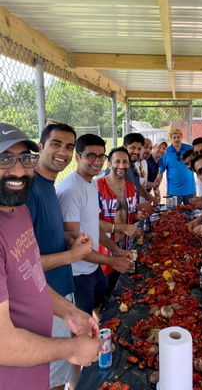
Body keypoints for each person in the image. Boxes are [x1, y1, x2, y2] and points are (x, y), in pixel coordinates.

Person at [0, 123, 103, 390]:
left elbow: (32, 275)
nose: (18, 170)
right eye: (4, 159)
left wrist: (70, 312)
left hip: (36, 358)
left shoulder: (18, 208)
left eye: (25, 159)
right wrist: (70, 347)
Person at [26, 122, 94, 390]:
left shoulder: (48, 185)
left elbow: (41, 240)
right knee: (51, 377)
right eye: (56, 144)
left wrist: (69, 240)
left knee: (69, 365)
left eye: (68, 146)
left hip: (62, 292)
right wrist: (72, 255)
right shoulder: (29, 190)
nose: (62, 152)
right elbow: (23, 264)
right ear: (41, 146)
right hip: (44, 299)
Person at [56, 134, 133, 318]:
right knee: (82, 322)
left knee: (101, 309)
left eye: (101, 156)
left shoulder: (91, 184)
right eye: (91, 155)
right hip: (77, 274)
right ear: (77, 157)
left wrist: (116, 250)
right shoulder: (70, 190)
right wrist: (114, 261)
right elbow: (73, 244)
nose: (97, 161)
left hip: (93, 266)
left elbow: (93, 226)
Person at [97, 147, 145, 289]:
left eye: (125, 162)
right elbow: (91, 222)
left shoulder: (131, 188)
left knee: (123, 288)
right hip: (103, 249)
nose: (122, 166)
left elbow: (128, 217)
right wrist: (123, 227)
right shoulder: (97, 187)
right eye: (117, 161)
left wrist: (138, 216)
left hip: (125, 247)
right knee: (104, 290)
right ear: (109, 164)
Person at [155, 128, 196, 204]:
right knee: (172, 214)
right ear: (171, 138)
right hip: (173, 192)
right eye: (174, 137)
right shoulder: (166, 152)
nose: (176, 139)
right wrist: (157, 187)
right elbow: (161, 173)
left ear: (181, 137)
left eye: (178, 137)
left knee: (193, 213)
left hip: (190, 190)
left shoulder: (189, 149)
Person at [134, 137, 152, 204]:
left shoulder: (145, 162)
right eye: (145, 147)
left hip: (143, 204)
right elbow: (135, 185)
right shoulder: (131, 164)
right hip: (134, 206)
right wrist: (148, 196)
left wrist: (154, 185)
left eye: (150, 148)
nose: (148, 150)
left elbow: (143, 182)